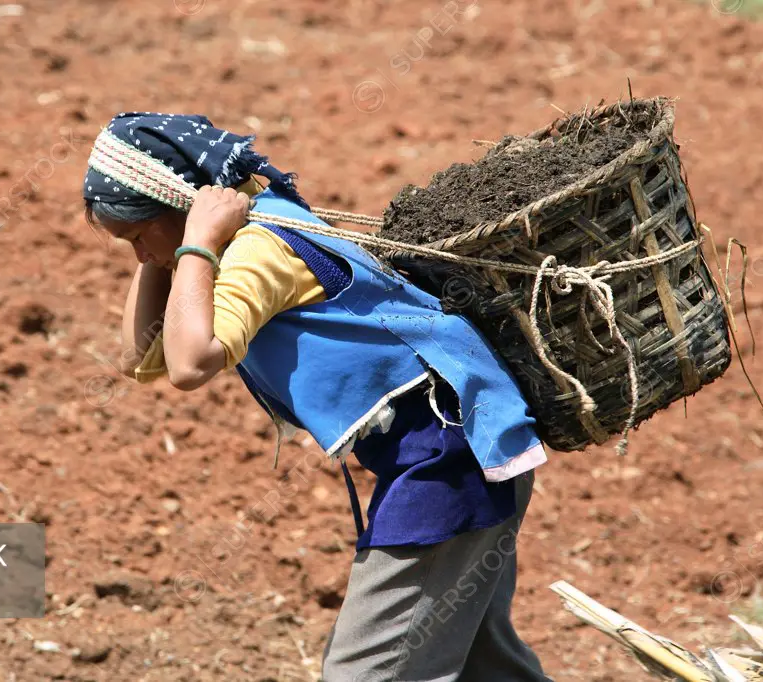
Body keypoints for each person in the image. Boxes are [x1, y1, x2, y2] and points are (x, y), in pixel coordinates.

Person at [83, 112, 553, 681]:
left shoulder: (259, 249)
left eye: (136, 236)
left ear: (183, 207)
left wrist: (195, 245)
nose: (137, 255)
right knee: (486, 664)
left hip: (449, 464)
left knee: (364, 673)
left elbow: (188, 364)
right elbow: (142, 357)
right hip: (462, 451)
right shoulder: (238, 238)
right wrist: (172, 248)